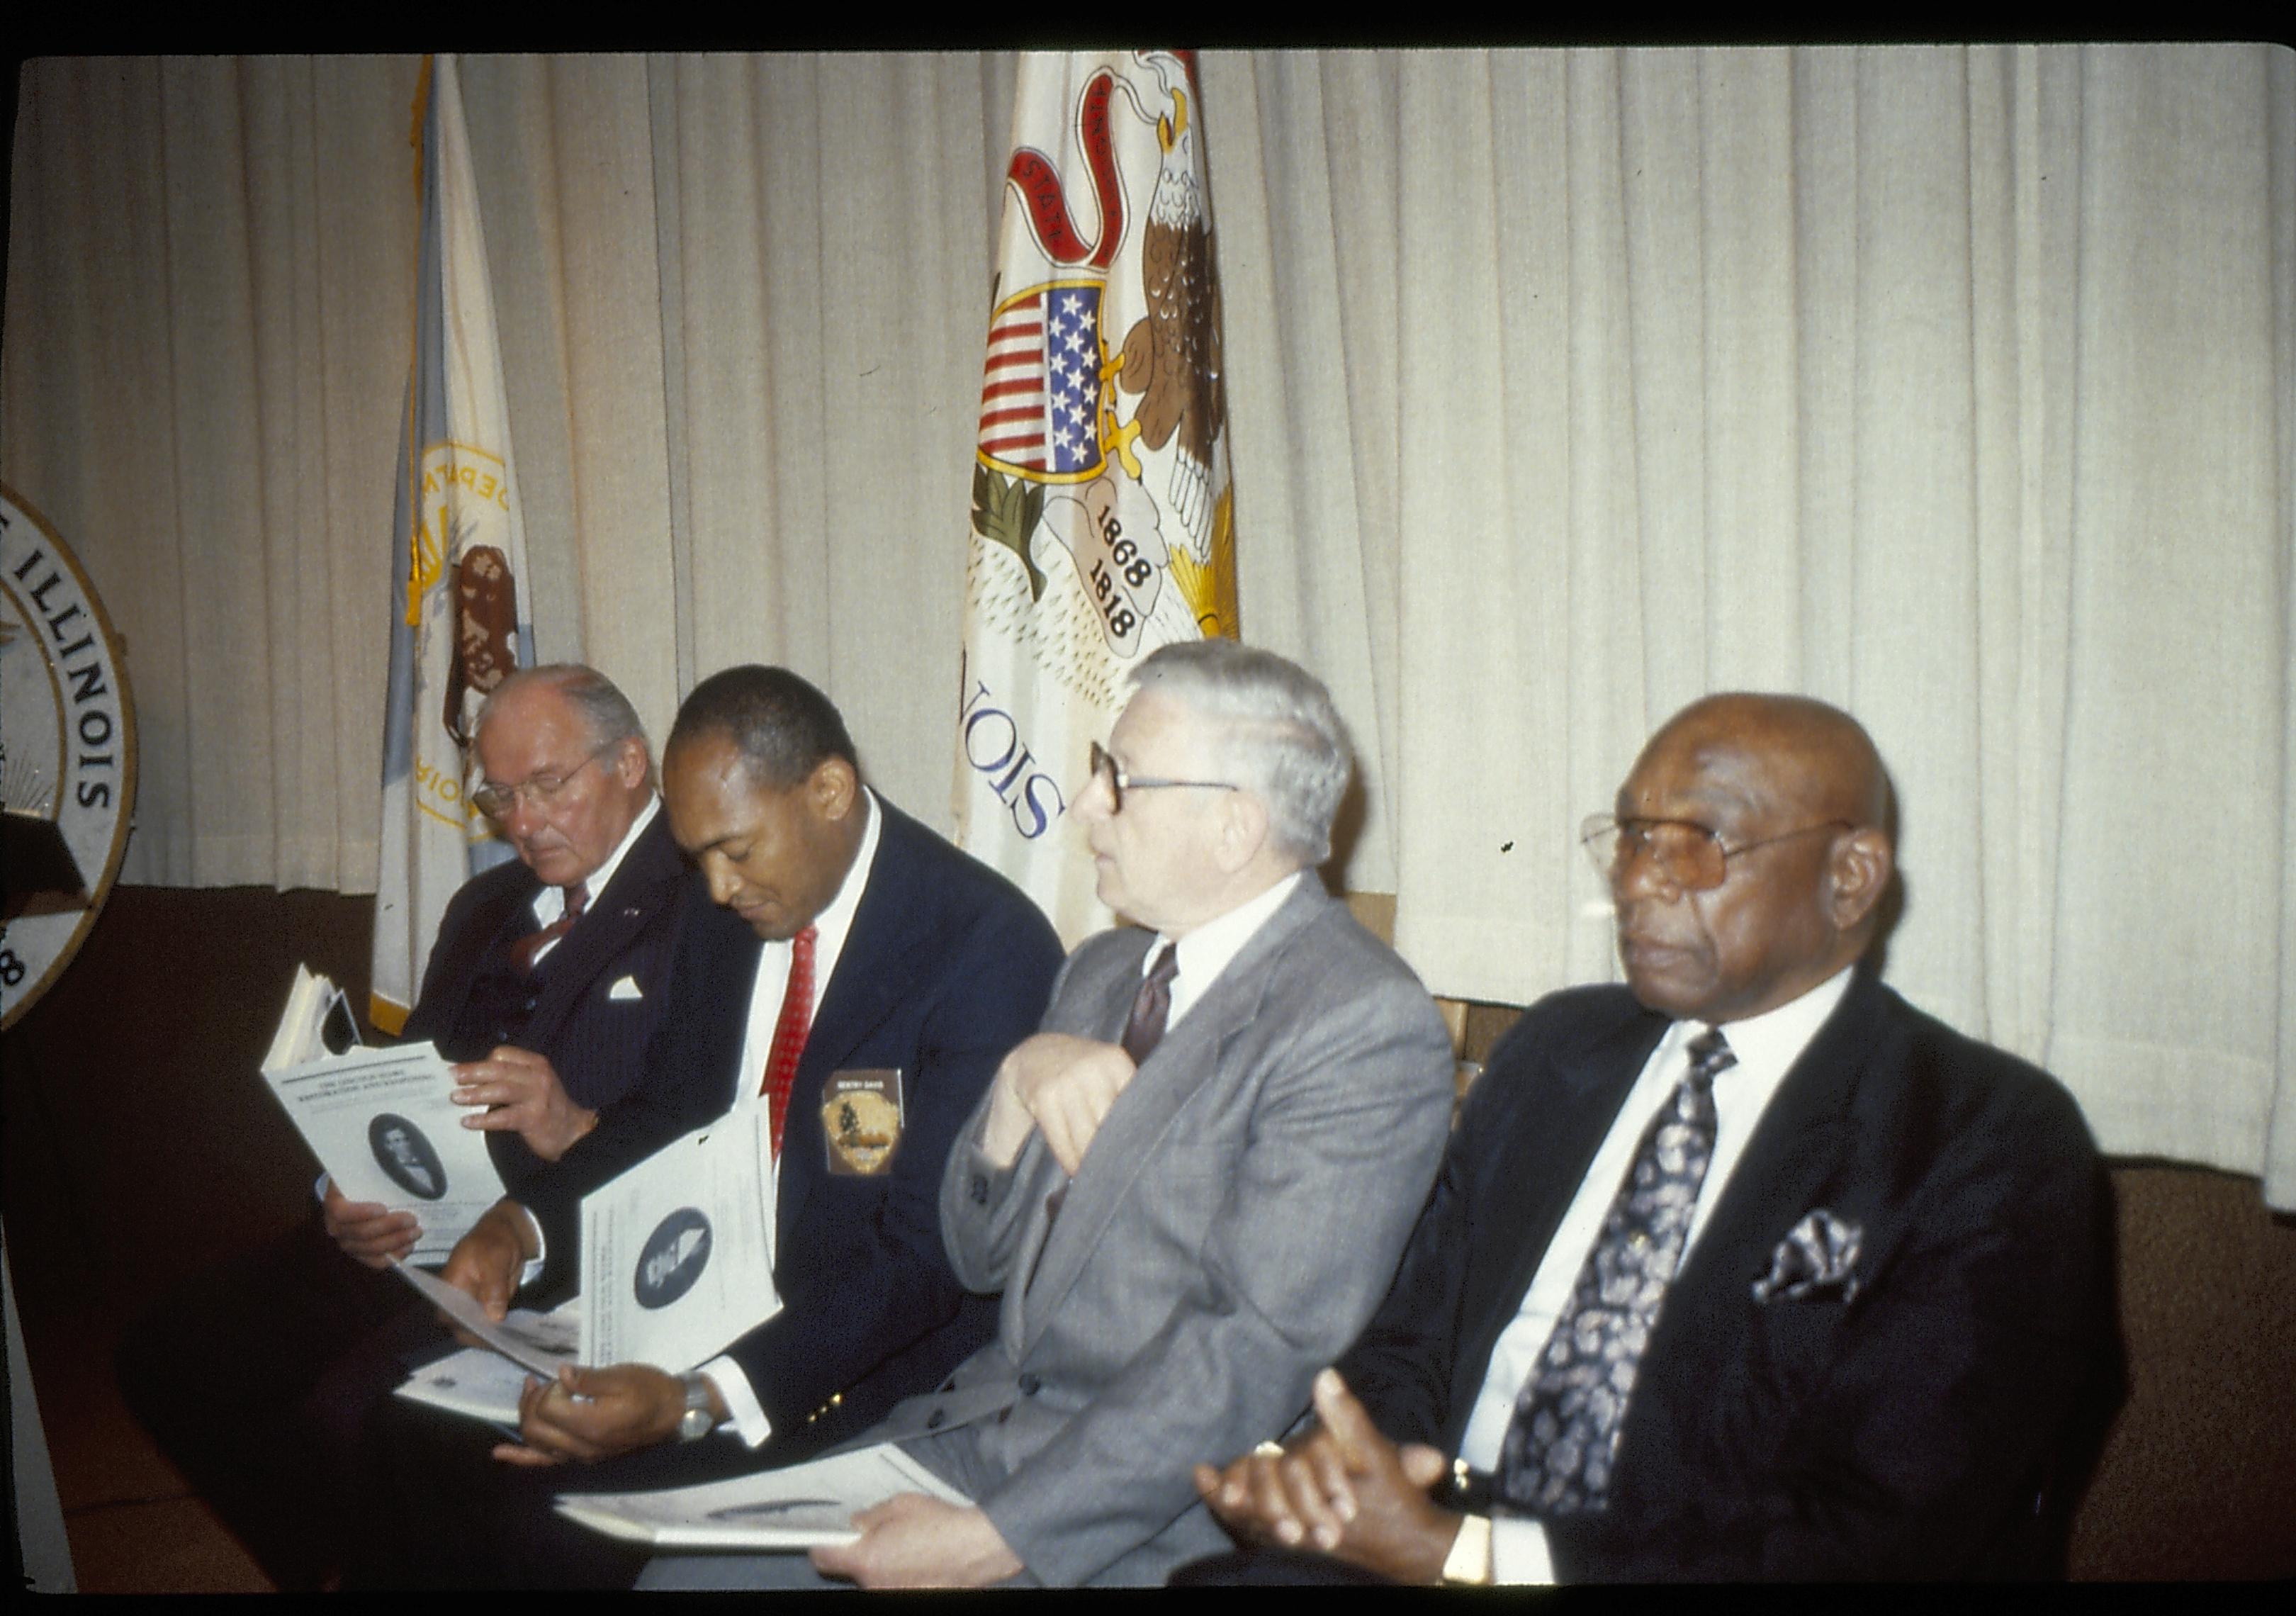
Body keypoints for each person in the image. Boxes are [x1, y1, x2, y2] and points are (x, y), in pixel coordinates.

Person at [1188, 692, 2124, 1583]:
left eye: (1702, 845)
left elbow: (1878, 1534)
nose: (1637, 882)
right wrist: (1352, 1482)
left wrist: (1459, 1556)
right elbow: (1408, 1336)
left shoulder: (1985, 1140)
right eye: (1632, 837)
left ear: (1850, 879)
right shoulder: (1559, 1050)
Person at [641, 639, 1459, 1590]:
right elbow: (975, 1256)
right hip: (972, 1431)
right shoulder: (1105, 972)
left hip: (1146, 1512)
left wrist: (998, 1538)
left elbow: (1247, 1355)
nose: (1083, 806)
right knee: (679, 1567)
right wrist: (1013, 1097)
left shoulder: (1358, 1020)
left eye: (1119, 779)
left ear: (1234, 826)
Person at [351, 664, 1065, 1588]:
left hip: (852, 1358)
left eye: (736, 852)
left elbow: (920, 1266)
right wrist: (521, 1228)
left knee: (553, 1526)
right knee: (411, 1433)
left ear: (830, 792)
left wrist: (697, 1400)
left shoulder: (982, 946)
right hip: (689, 1294)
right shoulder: (731, 902)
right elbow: (669, 1110)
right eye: (700, 860)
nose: (719, 890)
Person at [114, 663, 691, 1590]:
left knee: (355, 1415)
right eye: (500, 796)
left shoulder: (705, 908)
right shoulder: (483, 905)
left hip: (551, 1259)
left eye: (549, 786)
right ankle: (325, 1567)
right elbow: (404, 1075)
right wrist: (344, 1188)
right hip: (408, 1233)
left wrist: (578, 1129)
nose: (523, 821)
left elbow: (704, 1128)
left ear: (630, 764)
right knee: (171, 1351)